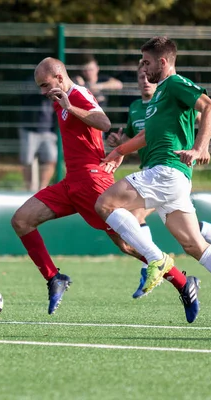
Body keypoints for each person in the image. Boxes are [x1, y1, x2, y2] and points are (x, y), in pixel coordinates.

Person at [11, 57, 200, 320]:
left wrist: (71, 107)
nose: (43, 92)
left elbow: (103, 122)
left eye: (45, 85)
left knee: (127, 244)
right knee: (21, 220)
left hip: (92, 182)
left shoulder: (77, 94)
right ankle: (55, 278)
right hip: (70, 183)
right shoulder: (59, 99)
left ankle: (183, 282)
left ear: (59, 77)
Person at [95, 37, 211, 328]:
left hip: (166, 171)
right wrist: (120, 150)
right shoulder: (158, 96)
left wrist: (201, 147)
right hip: (169, 179)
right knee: (195, 245)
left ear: (163, 62)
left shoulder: (174, 84)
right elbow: (148, 136)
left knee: (105, 204)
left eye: (147, 62)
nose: (143, 68)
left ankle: (155, 258)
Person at [18, 80, 58, 191]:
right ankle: (28, 189)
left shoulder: (56, 82)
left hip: (49, 129)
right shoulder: (30, 81)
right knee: (27, 161)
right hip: (29, 128)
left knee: (50, 159)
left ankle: (42, 189)